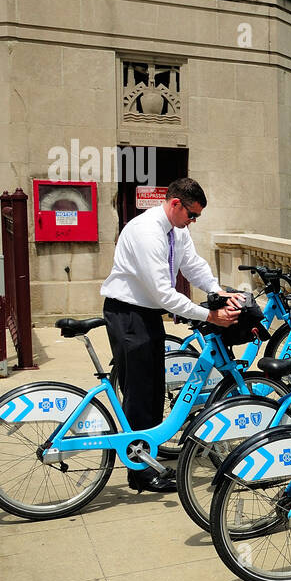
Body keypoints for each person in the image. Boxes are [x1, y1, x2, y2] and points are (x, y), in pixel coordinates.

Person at [100, 177, 241, 493]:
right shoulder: (148, 232)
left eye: (197, 218)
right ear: (175, 203)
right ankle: (139, 472)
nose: (193, 222)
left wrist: (218, 290)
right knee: (139, 394)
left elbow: (193, 266)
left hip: (146, 313)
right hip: (127, 312)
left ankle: (146, 456)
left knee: (152, 391)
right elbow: (164, 293)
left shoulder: (177, 231)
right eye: (192, 215)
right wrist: (210, 315)